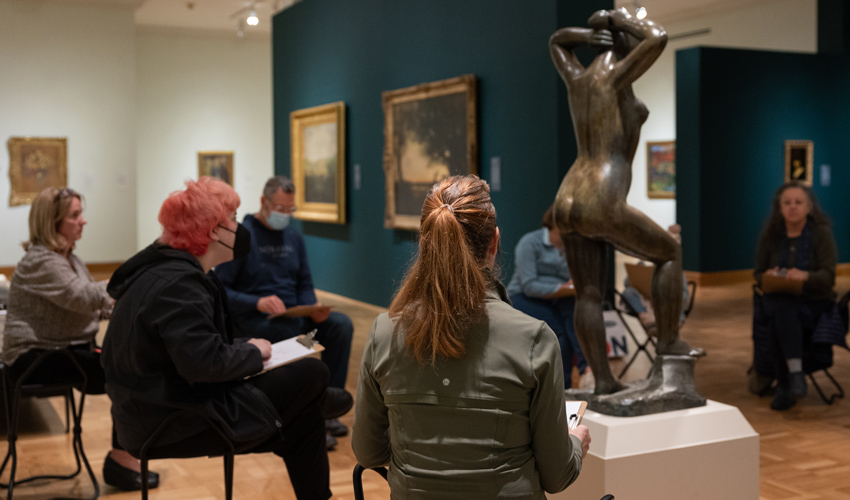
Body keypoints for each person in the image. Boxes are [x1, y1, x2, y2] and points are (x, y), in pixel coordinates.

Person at [101, 177, 351, 500]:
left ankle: (314, 412)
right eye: (233, 219)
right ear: (213, 230)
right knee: (312, 374)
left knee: (304, 419)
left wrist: (243, 348)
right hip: (169, 421)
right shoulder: (179, 285)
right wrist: (254, 353)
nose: (239, 226)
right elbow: (204, 364)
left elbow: (198, 350)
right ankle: (315, 398)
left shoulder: (168, 272)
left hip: (157, 407)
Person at [352, 175, 591, 499]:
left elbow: (368, 453)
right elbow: (556, 475)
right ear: (494, 242)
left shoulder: (385, 332)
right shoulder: (535, 340)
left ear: (425, 241)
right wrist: (576, 440)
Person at [549, 8, 702, 397]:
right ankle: (668, 344)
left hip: (568, 193)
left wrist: (585, 34)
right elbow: (658, 37)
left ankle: (603, 381)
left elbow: (556, 42)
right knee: (668, 252)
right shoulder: (614, 76)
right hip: (601, 192)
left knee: (587, 293)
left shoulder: (578, 79)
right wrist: (618, 20)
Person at [2, 186, 158, 491]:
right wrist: (131, 279)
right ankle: (121, 461)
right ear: (53, 222)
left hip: (59, 352)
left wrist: (120, 307)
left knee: (129, 370)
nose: (83, 221)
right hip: (33, 359)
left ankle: (122, 458)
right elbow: (83, 296)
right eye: (75, 215)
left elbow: (88, 306)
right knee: (126, 374)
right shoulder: (41, 260)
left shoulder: (69, 259)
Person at [216, 175, 354, 447]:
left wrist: (312, 308)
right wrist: (256, 302)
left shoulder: (293, 237)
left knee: (340, 326)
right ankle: (301, 414)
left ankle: (328, 408)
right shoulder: (242, 236)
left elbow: (304, 282)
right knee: (290, 333)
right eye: (279, 209)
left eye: (289, 210)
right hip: (255, 320)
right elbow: (221, 290)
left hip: (294, 317)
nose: (284, 215)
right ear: (263, 203)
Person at [752, 182, 837, 410]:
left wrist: (805, 276)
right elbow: (758, 273)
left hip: (812, 302)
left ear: (809, 207)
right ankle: (795, 375)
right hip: (777, 297)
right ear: (779, 208)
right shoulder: (770, 234)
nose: (792, 207)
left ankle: (785, 384)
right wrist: (771, 275)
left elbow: (828, 277)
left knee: (778, 320)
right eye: (787, 202)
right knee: (781, 306)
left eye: (798, 202)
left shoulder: (821, 233)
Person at [506, 205, 591, 389]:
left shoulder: (572, 246)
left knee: (575, 316)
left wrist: (569, 286)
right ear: (555, 224)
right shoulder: (530, 242)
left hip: (558, 297)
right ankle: (560, 385)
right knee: (558, 330)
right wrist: (564, 287)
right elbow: (529, 286)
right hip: (522, 296)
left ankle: (584, 372)